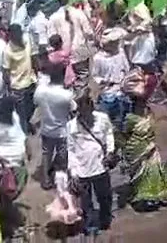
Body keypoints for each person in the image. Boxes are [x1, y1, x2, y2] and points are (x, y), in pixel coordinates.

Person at [66, 94, 116, 236]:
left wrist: (110, 151)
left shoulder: (102, 119)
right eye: (81, 111)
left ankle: (105, 220)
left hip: (100, 166)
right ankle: (89, 225)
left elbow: (109, 134)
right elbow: (71, 149)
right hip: (82, 170)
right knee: (86, 202)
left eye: (87, 110)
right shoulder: (71, 126)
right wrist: (73, 171)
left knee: (104, 196)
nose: (85, 114)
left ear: (92, 108)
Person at [0, 96, 27, 240]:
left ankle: (6, 220)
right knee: (7, 195)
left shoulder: (14, 117)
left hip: (18, 164)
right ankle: (7, 227)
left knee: (13, 193)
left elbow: (21, 135)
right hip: (5, 167)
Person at [122, 95, 167, 211]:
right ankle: (141, 196)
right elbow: (125, 134)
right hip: (136, 149)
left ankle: (148, 197)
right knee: (139, 172)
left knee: (150, 172)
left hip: (148, 149)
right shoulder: (131, 119)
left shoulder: (151, 120)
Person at [33, 60, 75, 190]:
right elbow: (73, 109)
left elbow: (36, 102)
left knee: (46, 154)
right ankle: (60, 180)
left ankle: (45, 179)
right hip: (62, 130)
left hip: (46, 129)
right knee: (62, 155)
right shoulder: (66, 95)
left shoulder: (41, 91)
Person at [3, 23, 36, 135]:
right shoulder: (8, 50)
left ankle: (27, 127)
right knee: (22, 112)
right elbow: (6, 71)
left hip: (30, 81)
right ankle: (25, 134)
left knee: (29, 109)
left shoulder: (26, 41)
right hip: (18, 86)